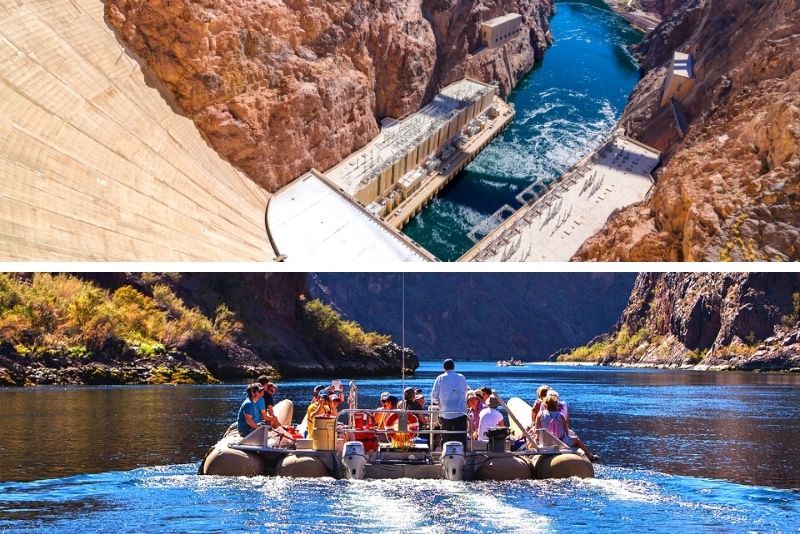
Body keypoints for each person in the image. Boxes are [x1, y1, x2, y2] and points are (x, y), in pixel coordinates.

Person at [535, 393, 598, 462]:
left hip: (544, 442)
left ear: (545, 404)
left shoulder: (540, 414)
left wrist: (537, 440)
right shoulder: (561, 416)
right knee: (576, 439)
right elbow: (566, 431)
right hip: (560, 442)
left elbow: (537, 430)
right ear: (556, 405)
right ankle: (590, 456)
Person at [431, 358, 468, 449]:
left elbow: (434, 395)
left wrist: (439, 403)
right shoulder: (461, 377)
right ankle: (462, 453)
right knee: (460, 435)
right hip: (460, 412)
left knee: (446, 436)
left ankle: (445, 453)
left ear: (444, 367)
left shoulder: (440, 378)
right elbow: (466, 390)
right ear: (454, 367)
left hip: (445, 412)